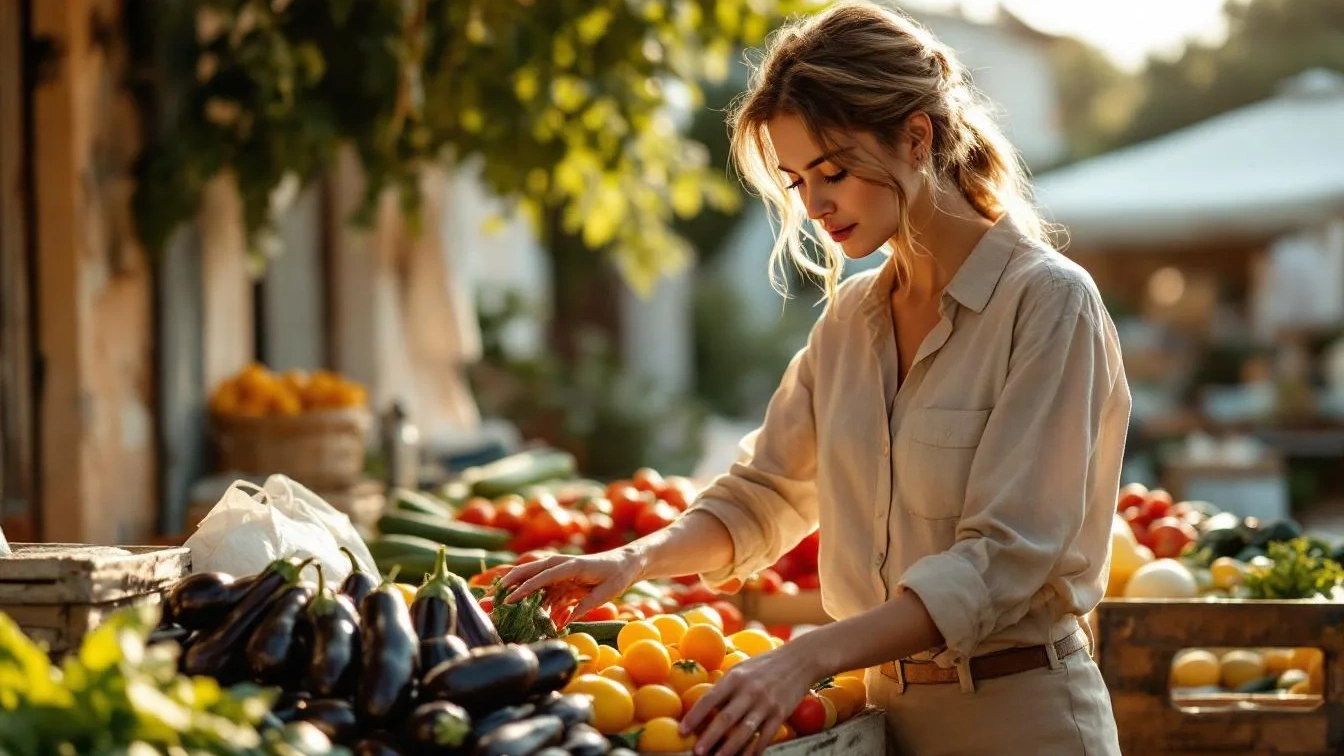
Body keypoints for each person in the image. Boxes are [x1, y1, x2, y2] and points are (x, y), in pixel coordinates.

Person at [501, 3, 1130, 754]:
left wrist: (806, 654)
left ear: (917, 135)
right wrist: (632, 559)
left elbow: (1003, 558)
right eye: (798, 180)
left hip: (1023, 720)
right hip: (874, 719)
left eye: (832, 171)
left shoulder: (1049, 303)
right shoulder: (850, 322)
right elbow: (763, 495)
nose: (814, 205)